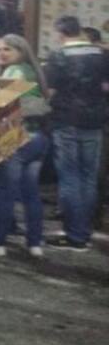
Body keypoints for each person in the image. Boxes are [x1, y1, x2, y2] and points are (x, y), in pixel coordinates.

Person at [43, 16, 108, 252]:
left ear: (60, 33)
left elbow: (49, 92)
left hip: (66, 120)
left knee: (70, 178)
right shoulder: (102, 54)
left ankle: (75, 235)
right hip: (95, 121)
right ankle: (84, 232)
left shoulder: (58, 55)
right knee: (88, 177)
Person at [0, 35, 49, 258]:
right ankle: (34, 242)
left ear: (21, 52)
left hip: (16, 138)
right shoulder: (33, 71)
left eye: (8, 50)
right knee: (30, 192)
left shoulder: (15, 72)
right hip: (38, 138)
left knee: (5, 192)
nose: (2, 54)